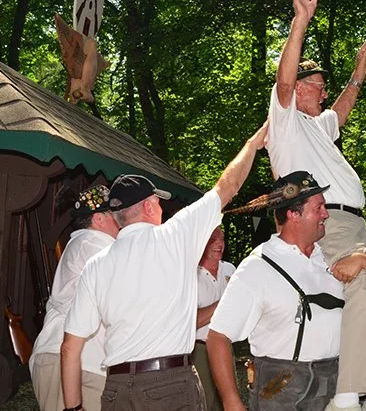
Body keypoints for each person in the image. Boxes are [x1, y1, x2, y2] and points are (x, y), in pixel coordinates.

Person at [267, 0, 366, 411]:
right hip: (329, 222)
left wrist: (358, 76)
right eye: (319, 84)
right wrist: (300, 24)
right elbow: (286, 83)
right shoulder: (286, 120)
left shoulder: (318, 127)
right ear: (302, 86)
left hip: (359, 227)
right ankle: (348, 397)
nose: (324, 92)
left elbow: (340, 112)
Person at [60, 123, 267, 411]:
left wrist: (73, 408)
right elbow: (227, 187)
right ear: (148, 206)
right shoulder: (174, 237)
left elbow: (70, 347)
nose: (160, 209)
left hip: (115, 390)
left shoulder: (96, 265)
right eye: (158, 203)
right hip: (169, 385)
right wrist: (253, 143)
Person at [208, 171, 366, 411]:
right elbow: (218, 336)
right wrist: (231, 401)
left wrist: (365, 260)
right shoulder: (258, 266)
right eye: (318, 207)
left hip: (335, 388)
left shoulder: (329, 257)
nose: (326, 214)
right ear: (293, 214)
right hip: (282, 390)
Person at [30, 184, 119, 411]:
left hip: (81, 362)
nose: (122, 219)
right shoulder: (94, 244)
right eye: (116, 214)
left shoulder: (85, 245)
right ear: (98, 219)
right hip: (72, 362)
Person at [194, 225, 236, 411]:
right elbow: (190, 321)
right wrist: (224, 303)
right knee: (202, 404)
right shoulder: (190, 273)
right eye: (213, 239)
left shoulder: (230, 269)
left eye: (222, 239)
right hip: (199, 352)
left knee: (226, 402)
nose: (220, 244)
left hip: (226, 346)